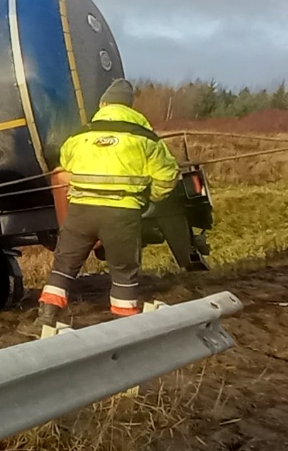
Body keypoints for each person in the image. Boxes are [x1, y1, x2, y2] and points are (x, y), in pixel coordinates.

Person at [32, 79, 179, 336]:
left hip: (81, 211)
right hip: (121, 213)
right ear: (130, 106)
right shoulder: (146, 138)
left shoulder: (81, 135)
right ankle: (125, 328)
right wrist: (149, 199)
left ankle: (45, 318)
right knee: (123, 271)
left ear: (103, 104)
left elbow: (65, 161)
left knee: (64, 265)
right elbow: (167, 176)